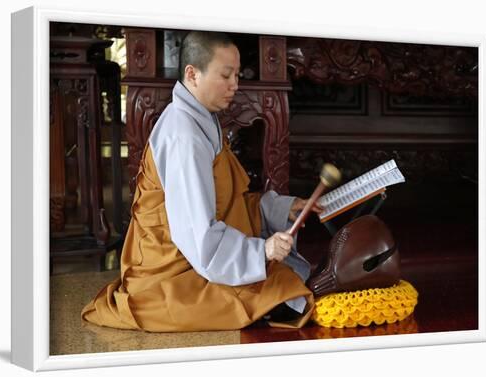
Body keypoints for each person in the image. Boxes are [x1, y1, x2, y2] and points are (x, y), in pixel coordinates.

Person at [81, 31, 323, 332]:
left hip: (195, 253)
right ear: (192, 74)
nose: (235, 84)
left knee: (283, 283)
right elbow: (197, 237)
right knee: (281, 290)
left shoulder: (201, 118)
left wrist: (283, 208)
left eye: (237, 74)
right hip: (171, 270)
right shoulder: (184, 136)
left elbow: (226, 201)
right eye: (226, 75)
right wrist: (260, 251)